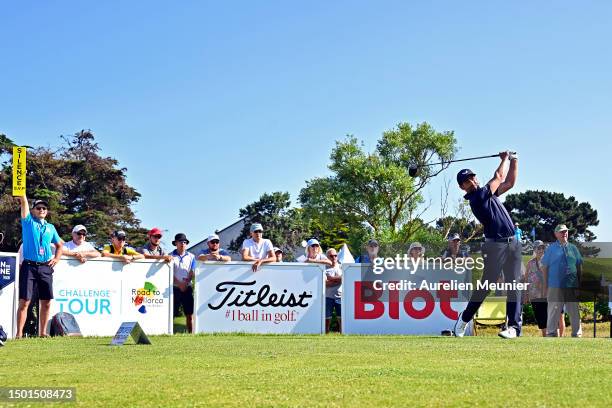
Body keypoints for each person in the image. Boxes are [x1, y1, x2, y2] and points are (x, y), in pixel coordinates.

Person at [453, 151, 522, 339]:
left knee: (514, 285)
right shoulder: (477, 198)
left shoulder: (487, 193)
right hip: (496, 246)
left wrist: (514, 160)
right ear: (462, 187)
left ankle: (514, 328)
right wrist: (505, 158)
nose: (472, 181)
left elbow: (508, 183)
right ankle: (465, 317)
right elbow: (499, 176)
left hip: (513, 243)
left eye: (472, 177)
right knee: (486, 285)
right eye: (467, 181)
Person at [16, 196, 64, 338]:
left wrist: (56, 258)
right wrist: (22, 194)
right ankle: (18, 335)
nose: (41, 210)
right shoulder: (28, 222)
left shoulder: (50, 227)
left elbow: (59, 245)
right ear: (33, 210)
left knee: (46, 301)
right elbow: (24, 203)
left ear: (47, 211)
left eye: (44, 208)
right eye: (38, 208)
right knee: (25, 301)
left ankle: (43, 333)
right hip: (29, 266)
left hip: (45, 267)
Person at [542, 224, 583, 337]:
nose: (564, 233)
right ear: (556, 234)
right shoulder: (551, 249)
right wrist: (546, 285)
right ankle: (551, 334)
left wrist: (579, 284)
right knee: (553, 311)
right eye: (561, 231)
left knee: (574, 312)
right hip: (554, 286)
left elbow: (579, 267)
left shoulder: (574, 248)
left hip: (572, 286)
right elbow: (544, 267)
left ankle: (577, 334)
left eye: (565, 231)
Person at [522, 240, 562, 337]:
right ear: (534, 250)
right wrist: (526, 294)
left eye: (542, 248)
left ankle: (556, 343)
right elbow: (526, 279)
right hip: (535, 296)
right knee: (542, 321)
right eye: (538, 248)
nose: (540, 250)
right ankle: (546, 343)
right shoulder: (530, 263)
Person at [170, 233, 196, 333]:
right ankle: (169, 333)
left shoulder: (191, 256)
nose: (183, 244)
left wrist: (186, 282)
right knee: (172, 313)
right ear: (176, 243)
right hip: (175, 288)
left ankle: (191, 334)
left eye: (185, 242)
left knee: (189, 314)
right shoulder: (170, 256)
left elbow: (192, 271)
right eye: (181, 242)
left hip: (187, 287)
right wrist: (179, 283)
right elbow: (169, 272)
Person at [324, 248, 342, 333]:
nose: (334, 257)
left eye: (335, 255)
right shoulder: (324, 268)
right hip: (328, 297)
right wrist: (338, 280)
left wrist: (331, 279)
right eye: (331, 256)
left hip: (340, 297)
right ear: (327, 257)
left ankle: (343, 335)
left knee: (341, 319)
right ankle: (325, 335)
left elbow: (344, 279)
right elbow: (325, 283)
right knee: (326, 319)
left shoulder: (342, 267)